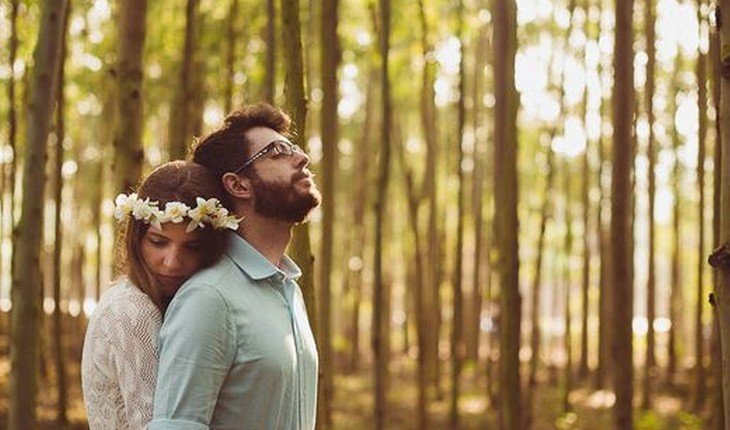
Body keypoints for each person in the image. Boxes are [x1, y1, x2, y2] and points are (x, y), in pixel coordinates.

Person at [150, 103, 321, 430]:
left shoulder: (289, 289)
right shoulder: (209, 298)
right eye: (278, 152)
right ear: (238, 185)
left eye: (295, 148)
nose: (301, 158)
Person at [81, 161, 241, 430]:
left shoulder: (157, 302)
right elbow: (156, 423)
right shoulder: (133, 311)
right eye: (158, 242)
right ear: (137, 238)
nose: (172, 262)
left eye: (192, 247)